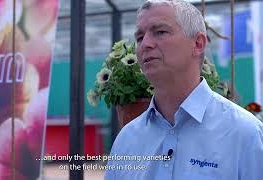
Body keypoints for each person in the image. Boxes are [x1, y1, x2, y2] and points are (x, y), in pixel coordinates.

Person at [104, 0, 263, 179]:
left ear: (198, 43)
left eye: (160, 32)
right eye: (140, 37)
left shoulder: (245, 134)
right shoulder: (127, 139)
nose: (145, 44)